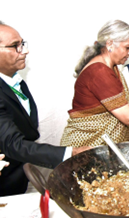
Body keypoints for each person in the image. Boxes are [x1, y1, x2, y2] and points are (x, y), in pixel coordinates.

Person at [0, 22, 88, 196]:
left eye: (22, 44)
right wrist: (70, 152)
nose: (24, 51)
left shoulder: (15, 81)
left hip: (18, 178)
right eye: (14, 46)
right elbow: (13, 143)